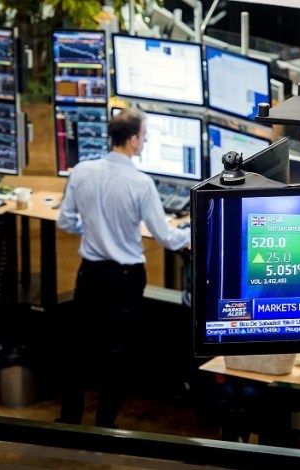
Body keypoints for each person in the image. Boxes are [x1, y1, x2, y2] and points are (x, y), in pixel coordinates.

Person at [56, 108, 191, 428]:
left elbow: (65, 221)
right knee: (117, 352)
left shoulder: (81, 172)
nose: (144, 142)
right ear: (132, 140)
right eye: (143, 136)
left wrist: (93, 229)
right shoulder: (140, 183)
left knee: (79, 349)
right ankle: (105, 425)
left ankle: (69, 420)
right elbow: (165, 236)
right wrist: (192, 234)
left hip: (89, 273)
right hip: (125, 279)